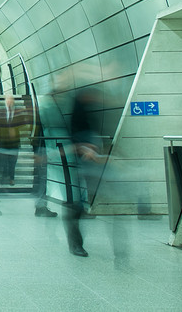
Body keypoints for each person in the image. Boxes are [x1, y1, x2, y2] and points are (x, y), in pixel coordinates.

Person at [64, 87, 105, 257]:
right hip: (80, 159)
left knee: (82, 198)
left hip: (90, 160)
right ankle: (75, 243)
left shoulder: (88, 111)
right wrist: (83, 148)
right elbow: (74, 136)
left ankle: (75, 242)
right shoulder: (78, 113)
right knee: (78, 202)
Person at [0, 94, 27, 215]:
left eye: (11, 100)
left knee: (13, 161)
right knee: (3, 163)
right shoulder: (1, 112)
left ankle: (11, 177)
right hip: (3, 143)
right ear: (6, 102)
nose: (9, 102)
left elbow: (23, 126)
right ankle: (6, 178)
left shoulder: (18, 113)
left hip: (14, 143)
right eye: (8, 100)